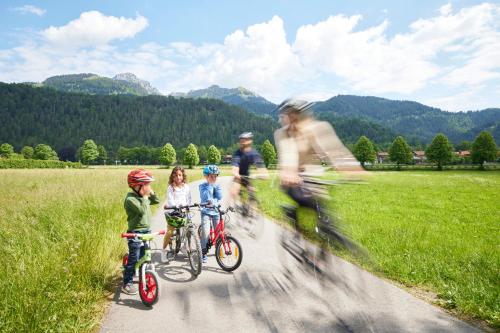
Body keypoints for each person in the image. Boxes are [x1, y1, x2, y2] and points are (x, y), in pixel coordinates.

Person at [274, 98, 364, 248]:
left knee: (327, 219)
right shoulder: (283, 134)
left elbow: (334, 149)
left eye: (297, 113)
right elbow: (288, 154)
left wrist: (352, 168)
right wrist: (290, 173)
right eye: (290, 114)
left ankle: (323, 251)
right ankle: (294, 217)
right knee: (310, 203)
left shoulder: (318, 128)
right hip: (291, 182)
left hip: (312, 179)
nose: (294, 118)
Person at [122, 169, 159, 295]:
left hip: (146, 231)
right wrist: (144, 196)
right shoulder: (130, 199)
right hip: (135, 233)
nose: (148, 188)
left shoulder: (142, 196)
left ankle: (143, 273)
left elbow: (156, 201)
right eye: (146, 185)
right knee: (134, 258)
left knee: (144, 255)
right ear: (136, 186)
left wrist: (151, 193)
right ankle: (127, 282)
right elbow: (142, 211)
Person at [161, 166, 191, 263]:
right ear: (173, 176)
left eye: (180, 175)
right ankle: (164, 251)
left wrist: (188, 206)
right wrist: (176, 206)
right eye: (176, 175)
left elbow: (188, 198)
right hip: (173, 212)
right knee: (170, 231)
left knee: (189, 230)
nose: (178, 177)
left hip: (183, 211)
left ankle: (183, 246)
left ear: (183, 176)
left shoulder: (186, 187)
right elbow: (170, 200)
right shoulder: (171, 188)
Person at [230, 132, 267, 205]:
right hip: (238, 176)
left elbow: (261, 168)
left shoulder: (254, 154)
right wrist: (236, 174)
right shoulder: (238, 153)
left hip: (247, 176)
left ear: (250, 140)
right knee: (234, 191)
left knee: (252, 192)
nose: (243, 141)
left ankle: (252, 209)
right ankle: (232, 207)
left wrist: (261, 174)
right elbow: (235, 167)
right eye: (242, 140)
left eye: (245, 139)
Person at [199, 165, 222, 263]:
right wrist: (209, 185)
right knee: (206, 232)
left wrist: (214, 201)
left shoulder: (217, 186)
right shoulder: (202, 186)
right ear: (206, 176)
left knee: (219, 232)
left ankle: (218, 249)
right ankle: (203, 252)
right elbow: (206, 198)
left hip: (215, 212)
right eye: (211, 176)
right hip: (206, 212)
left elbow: (219, 197)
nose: (214, 178)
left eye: (215, 176)